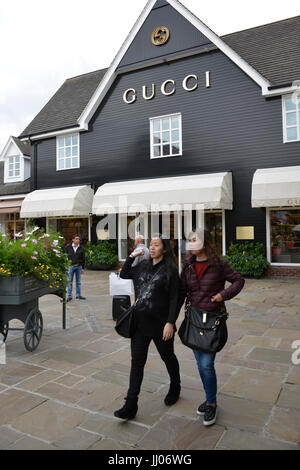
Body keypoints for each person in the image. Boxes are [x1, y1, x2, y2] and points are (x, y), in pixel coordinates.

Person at [179, 228, 245, 426]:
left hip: (212, 320)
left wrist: (222, 295)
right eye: (189, 240)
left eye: (194, 240)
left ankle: (212, 404)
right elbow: (182, 291)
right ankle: (209, 398)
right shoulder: (188, 265)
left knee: (207, 364)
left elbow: (239, 281)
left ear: (204, 242)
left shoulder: (219, 264)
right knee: (201, 364)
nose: (190, 244)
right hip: (194, 319)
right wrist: (170, 319)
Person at [114, 235, 181, 420]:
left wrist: (171, 322)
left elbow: (175, 299)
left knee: (167, 357)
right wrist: (132, 255)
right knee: (137, 363)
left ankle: (175, 385)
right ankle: (130, 404)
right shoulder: (142, 265)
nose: (152, 247)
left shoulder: (171, 271)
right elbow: (125, 273)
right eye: (151, 244)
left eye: (156, 245)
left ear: (164, 249)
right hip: (139, 324)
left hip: (161, 325)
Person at [65, 234, 86, 301]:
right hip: (70, 266)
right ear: (73, 240)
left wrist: (83, 268)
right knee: (69, 281)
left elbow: (83, 258)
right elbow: (65, 256)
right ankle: (69, 296)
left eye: (78, 239)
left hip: (79, 266)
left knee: (78, 282)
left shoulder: (81, 248)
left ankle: (78, 295)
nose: (78, 240)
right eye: (76, 239)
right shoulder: (68, 247)